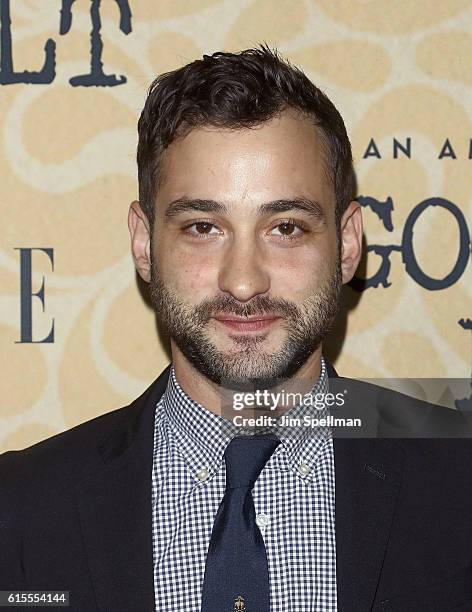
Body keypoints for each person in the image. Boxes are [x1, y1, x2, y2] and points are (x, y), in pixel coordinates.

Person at [1, 46, 471, 612]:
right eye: (203, 226)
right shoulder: (21, 511)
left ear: (347, 244)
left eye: (287, 228)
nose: (244, 282)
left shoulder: (459, 482)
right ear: (143, 243)